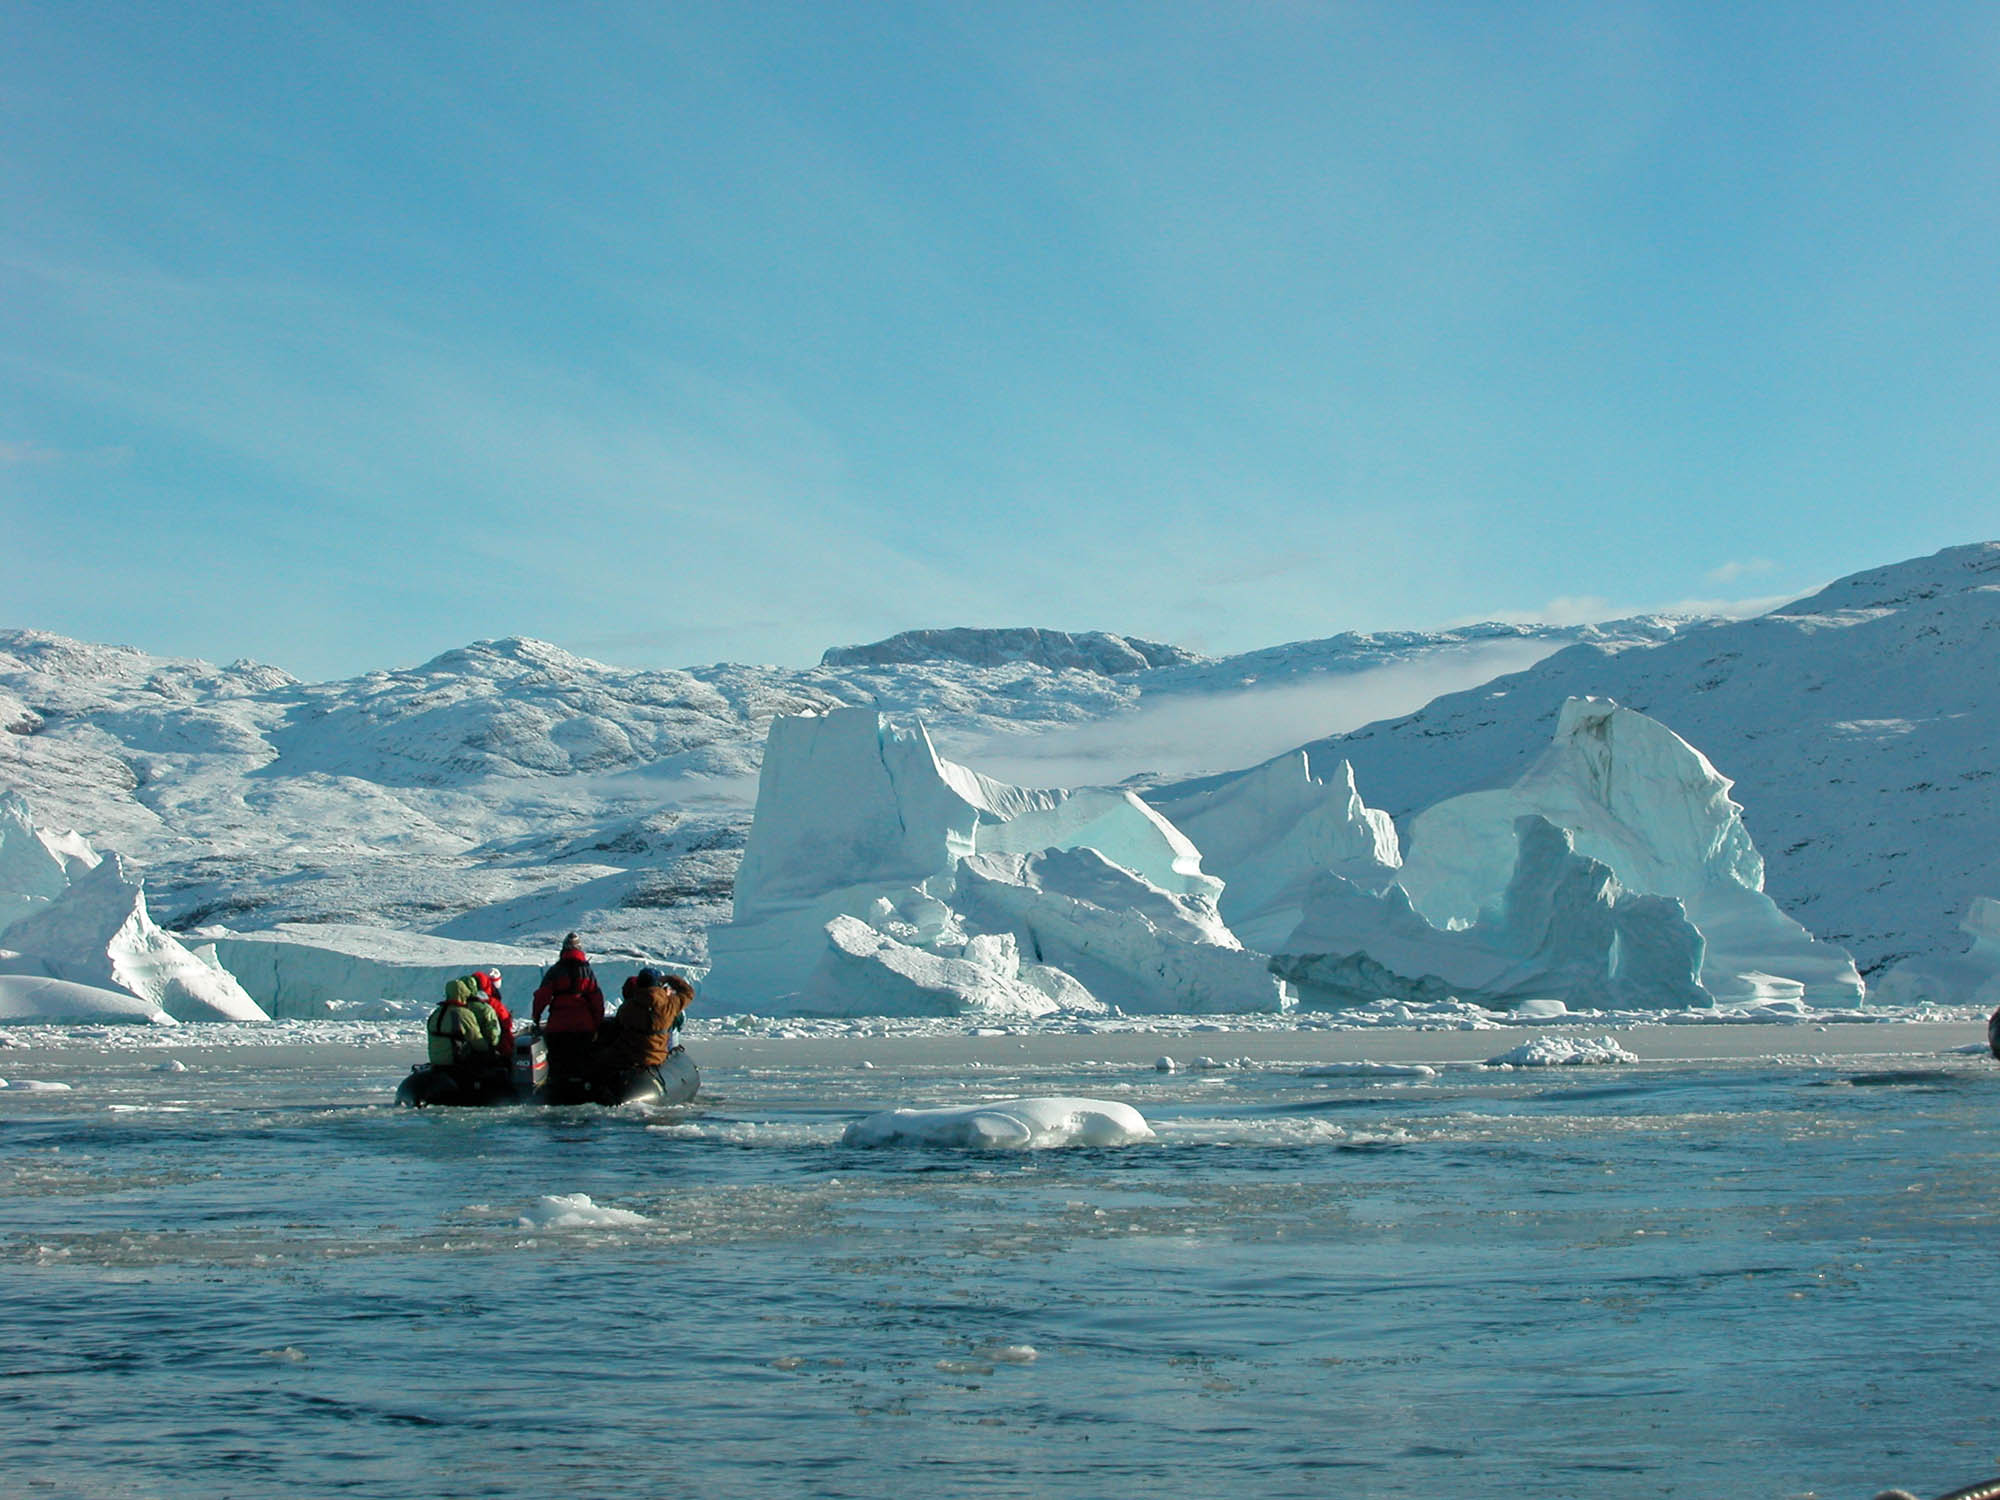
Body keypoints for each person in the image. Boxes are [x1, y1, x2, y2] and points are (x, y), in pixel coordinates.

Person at [596, 968, 692, 1102]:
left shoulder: (628, 1006)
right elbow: (688, 993)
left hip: (629, 1056)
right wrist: (671, 979)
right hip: (656, 1056)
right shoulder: (670, 1005)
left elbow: (619, 1024)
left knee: (599, 1058)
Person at [532, 933, 604, 1095]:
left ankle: (557, 1092)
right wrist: (596, 1024)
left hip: (558, 1027)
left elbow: (541, 997)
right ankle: (585, 1090)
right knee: (583, 1063)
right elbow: (597, 1001)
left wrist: (536, 1018)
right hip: (583, 1028)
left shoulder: (555, 972)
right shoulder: (587, 972)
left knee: (559, 1065)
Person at [427, 975, 501, 1075]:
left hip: (436, 1061)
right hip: (454, 1061)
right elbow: (476, 1040)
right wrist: (490, 1051)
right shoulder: (464, 1014)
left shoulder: (437, 1012)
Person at [472, 967, 515, 1062]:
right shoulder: (494, 1004)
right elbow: (506, 1029)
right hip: (492, 1052)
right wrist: (509, 1052)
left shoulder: (463, 1004)